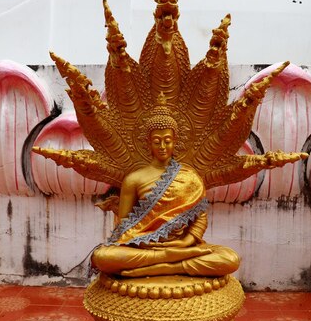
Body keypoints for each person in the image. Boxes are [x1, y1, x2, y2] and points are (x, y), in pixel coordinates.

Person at [91, 106, 240, 277]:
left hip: (183, 246)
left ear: (175, 141)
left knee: (230, 259)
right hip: (144, 246)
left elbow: (200, 216)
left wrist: (186, 242)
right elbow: (124, 225)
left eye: (167, 140)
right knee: (102, 257)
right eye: (156, 141)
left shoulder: (189, 176)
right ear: (148, 143)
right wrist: (142, 242)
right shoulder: (134, 179)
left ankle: (170, 267)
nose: (162, 146)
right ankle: (170, 258)